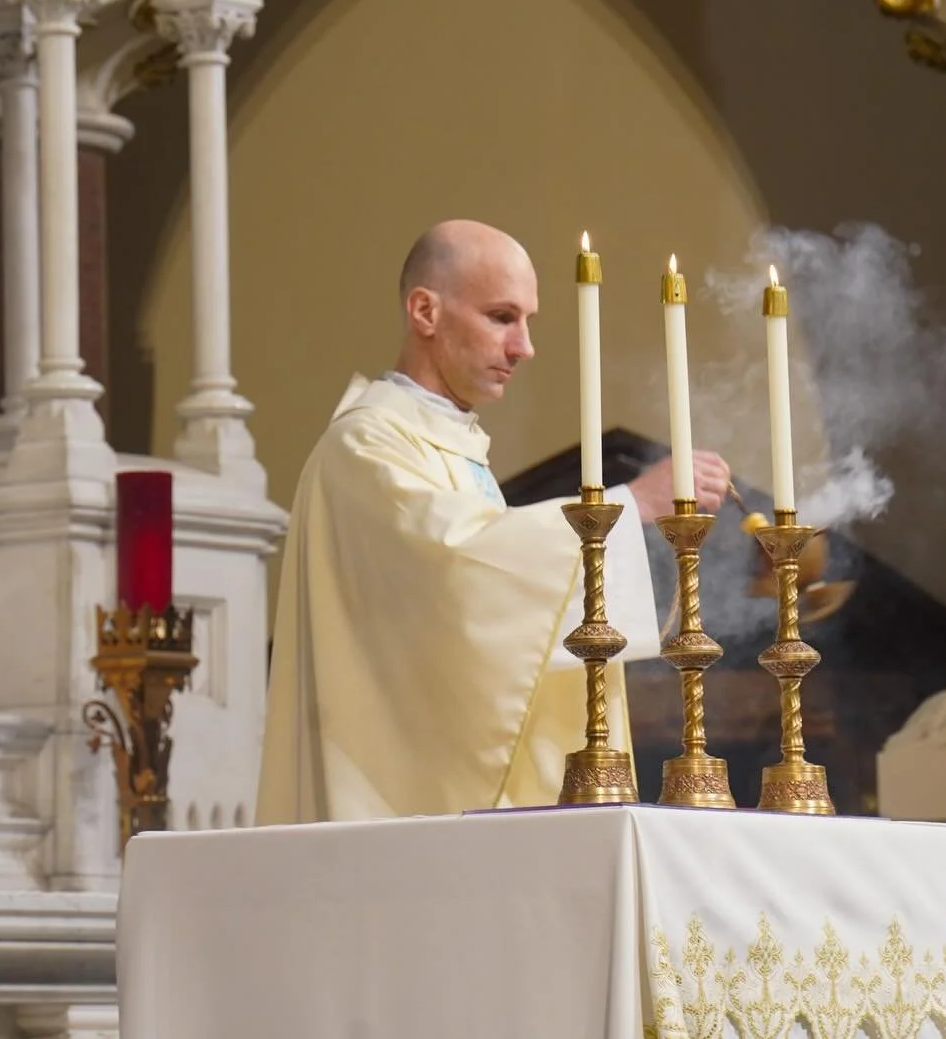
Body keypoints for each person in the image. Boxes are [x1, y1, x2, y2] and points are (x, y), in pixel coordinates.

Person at [255, 219, 732, 824]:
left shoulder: (447, 442)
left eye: (527, 321)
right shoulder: (365, 445)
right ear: (425, 311)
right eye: (503, 317)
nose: (524, 347)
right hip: (395, 814)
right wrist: (630, 506)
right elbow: (457, 575)